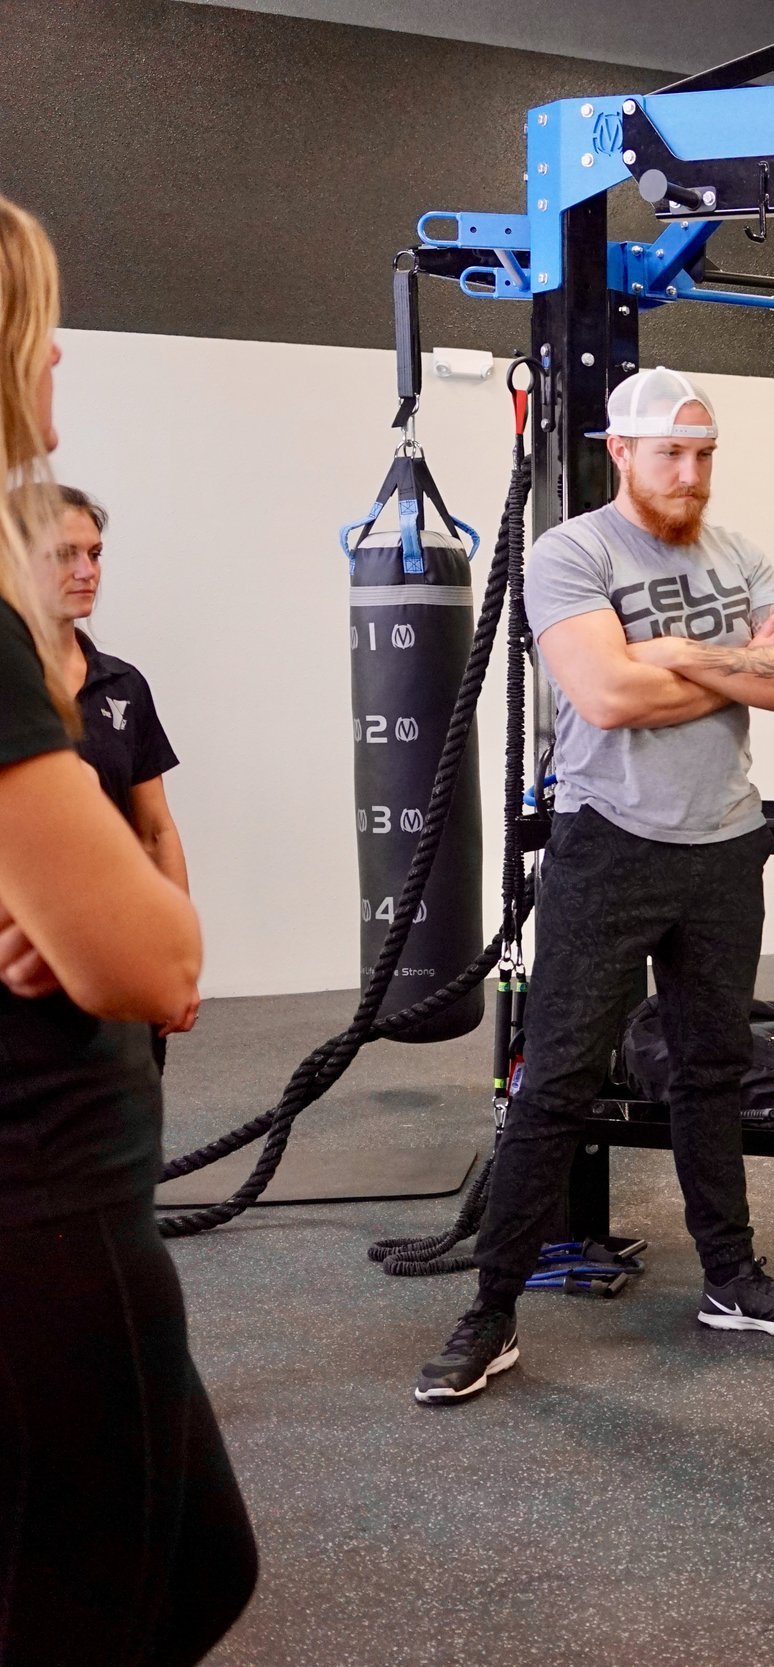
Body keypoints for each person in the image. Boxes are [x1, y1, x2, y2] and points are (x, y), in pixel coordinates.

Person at [417, 365, 774, 1406]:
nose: (691, 475)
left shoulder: (739, 549)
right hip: (609, 842)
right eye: (671, 456)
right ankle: (491, 1311)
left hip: (727, 842)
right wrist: (729, 655)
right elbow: (603, 695)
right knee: (558, 1078)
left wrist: (675, 651)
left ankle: (731, 1277)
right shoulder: (573, 552)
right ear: (622, 452)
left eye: (704, 456)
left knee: (712, 1070)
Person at [0, 192, 258, 1664]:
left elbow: (144, 881)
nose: (60, 362)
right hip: (38, 1200)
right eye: (42, 328)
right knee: (97, 1601)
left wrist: (88, 888)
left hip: (84, 1168)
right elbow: (153, 954)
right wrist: (104, 904)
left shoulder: (105, 676)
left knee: (196, 1565)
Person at [34, 484, 196, 1047]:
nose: (86, 570)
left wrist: (177, 956)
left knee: (127, 1122)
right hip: (26, 961)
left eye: (95, 554)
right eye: (64, 554)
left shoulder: (123, 684)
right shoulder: (12, 688)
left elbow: (155, 829)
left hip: (119, 947)